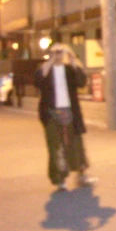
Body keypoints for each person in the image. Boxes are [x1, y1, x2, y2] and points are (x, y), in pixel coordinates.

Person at [34, 43, 96, 191]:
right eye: (56, 52)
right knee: (56, 147)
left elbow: (82, 82)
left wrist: (72, 58)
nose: (59, 55)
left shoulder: (69, 70)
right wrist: (50, 59)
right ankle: (60, 179)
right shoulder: (45, 69)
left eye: (61, 52)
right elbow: (38, 81)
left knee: (76, 145)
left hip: (71, 112)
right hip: (51, 113)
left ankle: (82, 175)